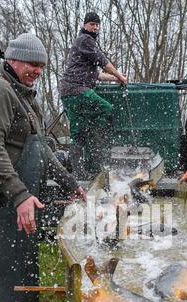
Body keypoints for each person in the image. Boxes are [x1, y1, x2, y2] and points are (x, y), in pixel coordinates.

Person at [0, 33, 86, 302]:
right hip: (0, 197)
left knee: (3, 266)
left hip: (18, 196)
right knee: (14, 272)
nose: (37, 70)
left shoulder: (25, 97)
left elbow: (40, 149)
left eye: (41, 65)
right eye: (31, 64)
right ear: (12, 60)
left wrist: (72, 185)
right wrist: (20, 195)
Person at [60, 11, 128, 179]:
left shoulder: (84, 44)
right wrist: (119, 75)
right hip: (77, 90)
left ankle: (79, 172)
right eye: (92, 24)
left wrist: (114, 78)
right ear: (85, 25)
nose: (95, 27)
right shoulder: (85, 40)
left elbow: (96, 74)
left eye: (97, 25)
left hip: (68, 93)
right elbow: (102, 61)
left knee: (78, 134)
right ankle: (98, 144)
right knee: (106, 109)